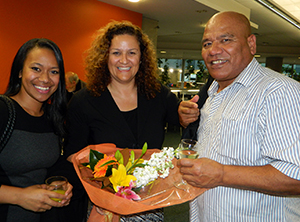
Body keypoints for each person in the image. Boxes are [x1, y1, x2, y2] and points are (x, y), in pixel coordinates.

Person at [178, 11, 300, 221]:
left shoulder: (278, 91)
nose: (214, 50)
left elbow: (295, 176)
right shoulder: (212, 91)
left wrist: (221, 174)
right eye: (207, 43)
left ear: (251, 44)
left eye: (226, 40)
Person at [65, 21, 181, 221]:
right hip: (105, 207)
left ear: (141, 58)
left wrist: (188, 113)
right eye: (116, 52)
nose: (124, 60)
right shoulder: (83, 101)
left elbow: (183, 120)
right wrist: (101, 189)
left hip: (150, 206)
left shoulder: (157, 95)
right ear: (105, 57)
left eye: (132, 53)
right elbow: (71, 155)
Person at [0, 38, 73, 222]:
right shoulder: (3, 111)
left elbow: (51, 164)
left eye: (54, 72)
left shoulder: (52, 117)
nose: (45, 79)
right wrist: (18, 196)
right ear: (19, 71)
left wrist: (59, 181)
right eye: (36, 69)